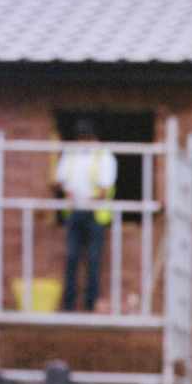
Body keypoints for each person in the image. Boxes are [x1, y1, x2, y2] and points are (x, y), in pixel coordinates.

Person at [54, 119, 116, 312]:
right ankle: (69, 304)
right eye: (80, 137)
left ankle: (91, 304)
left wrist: (91, 198)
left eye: (86, 137)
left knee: (94, 258)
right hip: (75, 212)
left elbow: (105, 188)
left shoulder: (104, 156)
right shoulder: (71, 154)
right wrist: (69, 193)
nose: (83, 141)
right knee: (72, 257)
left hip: (95, 214)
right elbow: (60, 181)